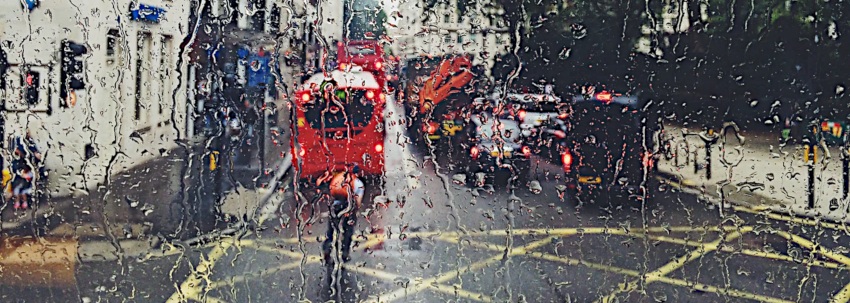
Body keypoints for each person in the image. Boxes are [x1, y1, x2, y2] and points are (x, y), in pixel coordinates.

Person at [322, 165, 365, 264]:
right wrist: (355, 211)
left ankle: (326, 250)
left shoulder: (338, 178)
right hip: (348, 209)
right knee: (347, 232)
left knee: (331, 230)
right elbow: (358, 200)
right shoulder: (357, 182)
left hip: (336, 207)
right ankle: (345, 254)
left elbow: (331, 191)